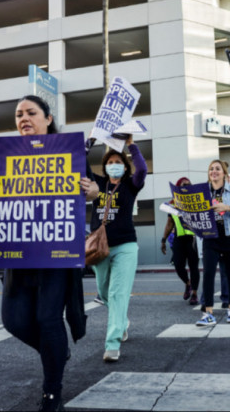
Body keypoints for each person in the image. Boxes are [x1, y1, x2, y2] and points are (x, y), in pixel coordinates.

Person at [0, 95, 99, 411]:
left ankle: (52, 393)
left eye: (31, 113)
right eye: (18, 114)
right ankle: (57, 353)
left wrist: (92, 191)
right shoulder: (9, 157)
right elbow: (4, 202)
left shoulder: (69, 152)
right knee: (15, 321)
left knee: (49, 320)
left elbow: (96, 191)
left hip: (57, 254)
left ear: (48, 118)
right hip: (18, 255)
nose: (23, 118)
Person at [90, 134, 147, 362]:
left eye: (118, 163)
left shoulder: (130, 186)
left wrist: (131, 145)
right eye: (110, 163)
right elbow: (78, 167)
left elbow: (141, 170)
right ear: (105, 167)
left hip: (125, 246)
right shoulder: (97, 184)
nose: (114, 166)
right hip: (99, 247)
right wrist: (89, 143)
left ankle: (112, 344)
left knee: (117, 293)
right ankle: (122, 322)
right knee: (104, 293)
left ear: (125, 167)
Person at [195, 159, 230, 326]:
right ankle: (208, 313)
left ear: (224, 173)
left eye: (217, 169)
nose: (214, 171)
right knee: (208, 274)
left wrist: (229, 208)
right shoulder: (203, 192)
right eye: (211, 169)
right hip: (211, 237)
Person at [160, 177, 200, 305]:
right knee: (178, 265)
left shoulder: (197, 201)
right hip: (179, 239)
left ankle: (194, 293)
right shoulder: (172, 204)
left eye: (189, 184)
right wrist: (163, 240)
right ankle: (188, 284)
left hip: (193, 239)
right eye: (184, 185)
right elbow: (169, 224)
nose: (186, 186)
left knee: (194, 267)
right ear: (177, 187)